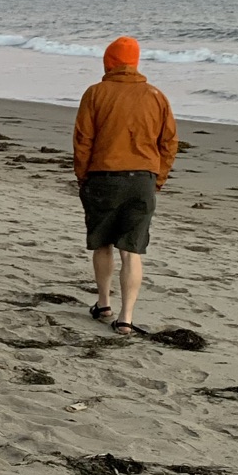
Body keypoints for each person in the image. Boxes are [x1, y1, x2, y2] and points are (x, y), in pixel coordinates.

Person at [72, 37, 177, 337]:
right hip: (142, 180)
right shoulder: (156, 96)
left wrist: (83, 176)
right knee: (132, 251)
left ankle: (104, 303)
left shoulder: (95, 93)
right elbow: (169, 143)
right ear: (135, 62)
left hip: (103, 176)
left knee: (102, 243)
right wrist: (158, 178)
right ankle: (126, 318)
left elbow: (83, 140)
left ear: (109, 62)